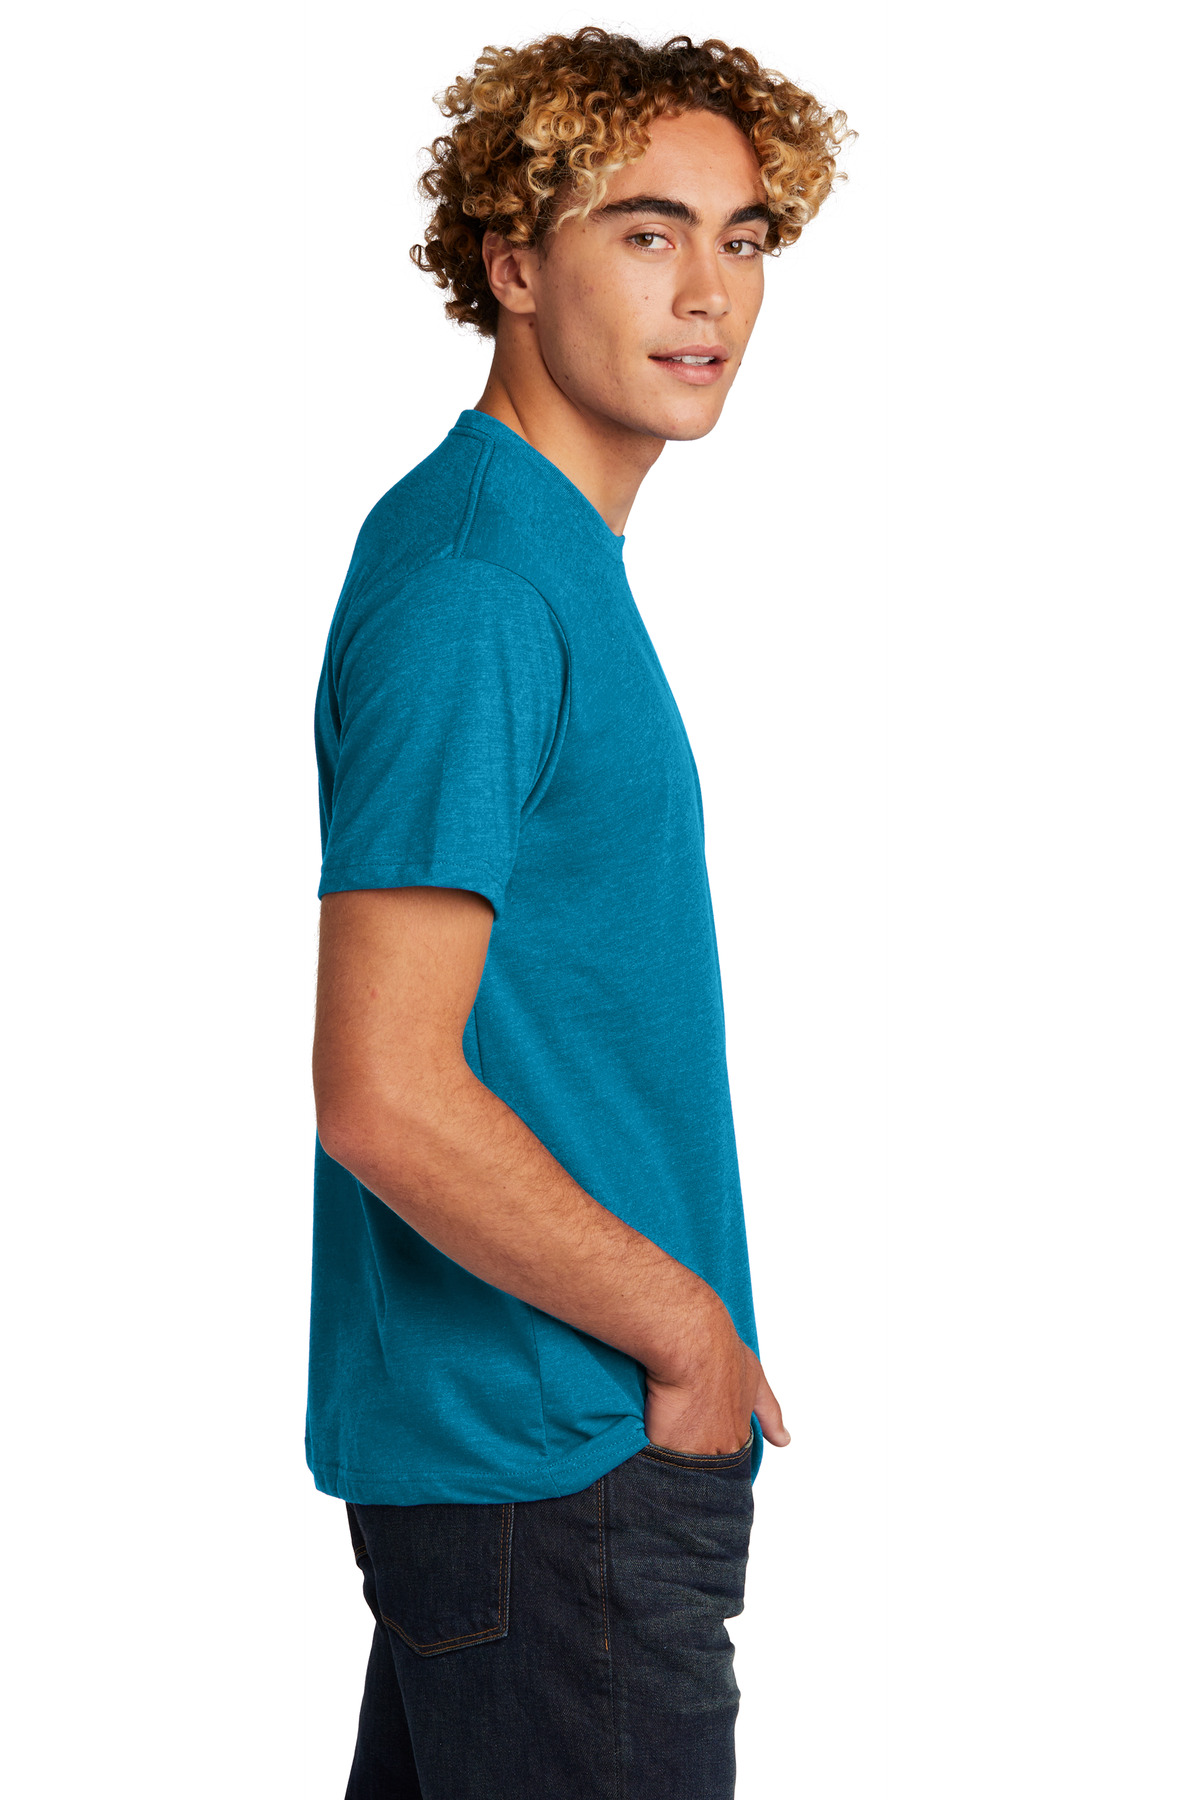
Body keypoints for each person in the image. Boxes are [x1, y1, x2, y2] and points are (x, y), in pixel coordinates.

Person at [308, 27, 851, 1799]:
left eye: (743, 238)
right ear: (514, 265)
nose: (709, 292)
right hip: (561, 1468)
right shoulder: (480, 586)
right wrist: (684, 1333)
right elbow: (382, 1088)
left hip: (546, 1465)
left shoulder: (536, 558)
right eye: (645, 230)